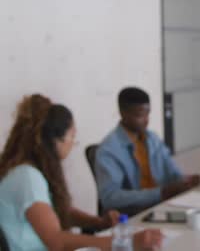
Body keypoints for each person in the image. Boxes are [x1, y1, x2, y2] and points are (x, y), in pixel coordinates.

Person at [0, 94, 162, 251]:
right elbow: (58, 243)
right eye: (72, 137)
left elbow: (57, 212)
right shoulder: (27, 178)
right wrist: (124, 242)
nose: (72, 144)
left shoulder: (26, 171)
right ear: (57, 140)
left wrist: (98, 222)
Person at [95, 87, 200, 215]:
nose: (146, 120)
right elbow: (110, 198)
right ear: (123, 113)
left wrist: (184, 181)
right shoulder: (108, 150)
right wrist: (160, 193)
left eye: (148, 114)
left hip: (161, 207)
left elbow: (171, 172)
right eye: (140, 115)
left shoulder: (152, 139)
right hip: (134, 215)